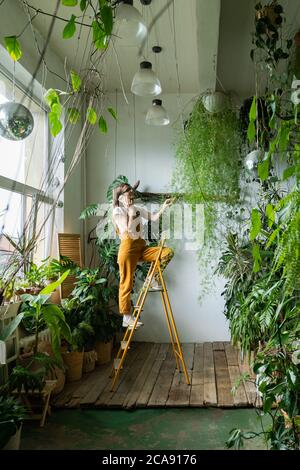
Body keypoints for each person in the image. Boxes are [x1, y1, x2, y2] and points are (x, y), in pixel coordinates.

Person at [112, 180, 174, 329]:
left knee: (166, 252)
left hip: (140, 246)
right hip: (127, 248)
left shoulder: (137, 208)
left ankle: (152, 279)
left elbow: (153, 217)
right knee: (126, 283)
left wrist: (164, 206)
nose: (131, 198)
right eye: (128, 195)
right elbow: (126, 229)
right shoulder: (117, 211)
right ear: (120, 198)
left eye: (132, 196)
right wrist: (131, 213)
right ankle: (126, 317)